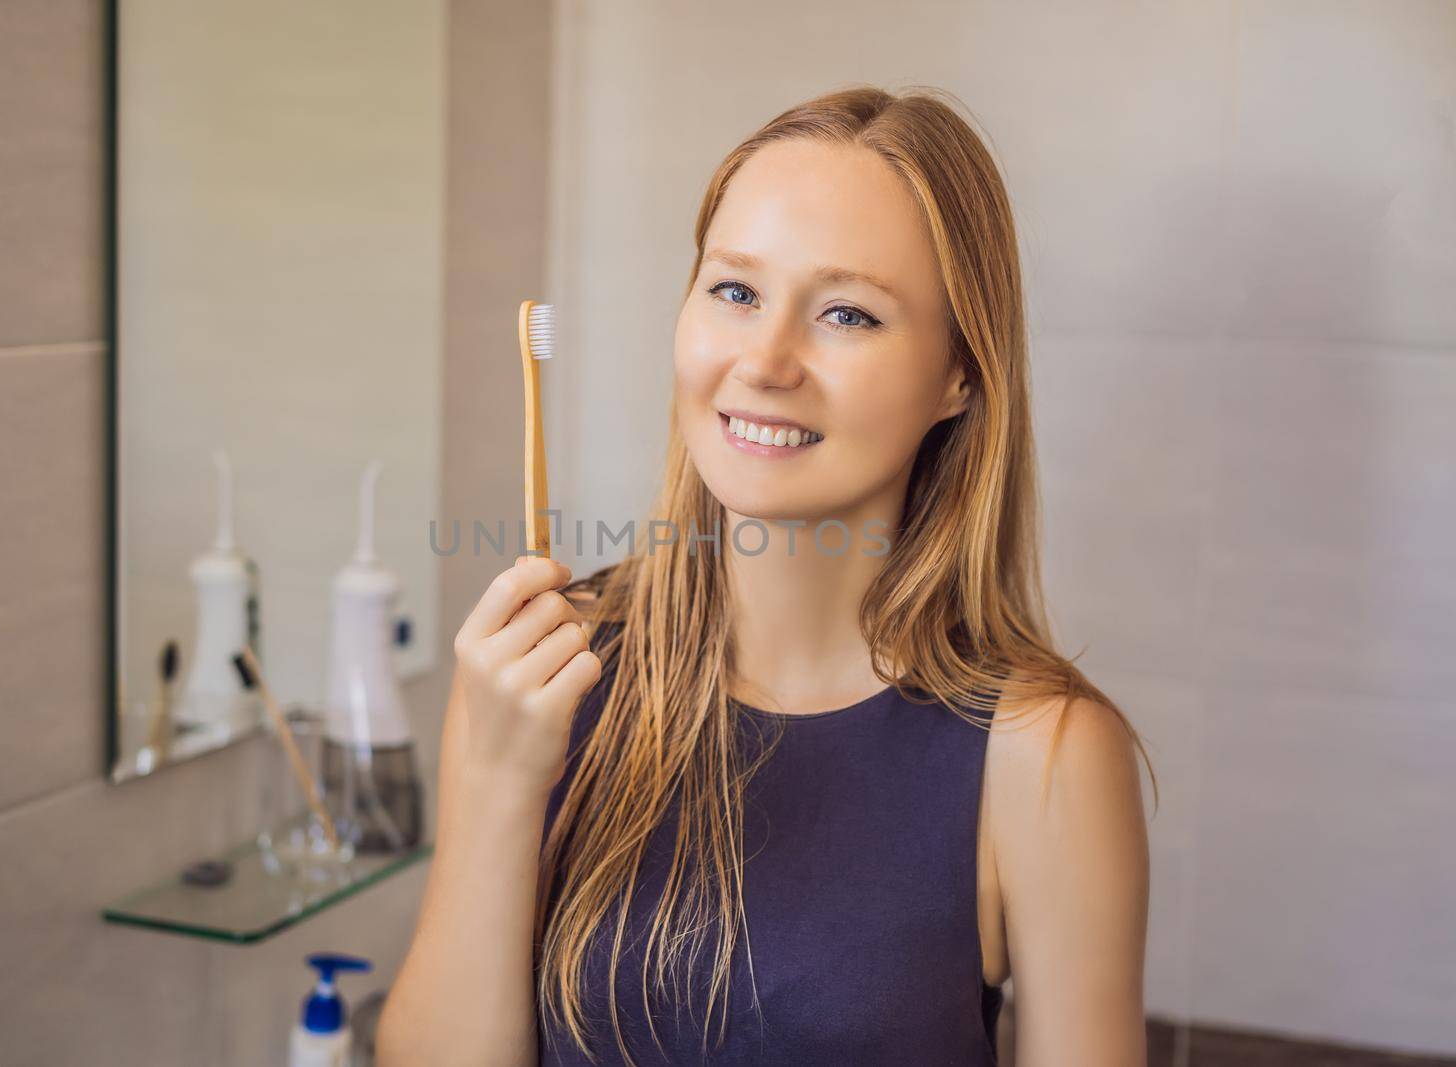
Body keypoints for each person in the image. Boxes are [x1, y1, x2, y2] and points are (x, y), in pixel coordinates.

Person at [380, 85, 1155, 1067]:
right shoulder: (547, 669)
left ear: (959, 374)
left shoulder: (1042, 754)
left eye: (846, 313)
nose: (765, 360)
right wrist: (495, 779)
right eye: (735, 291)